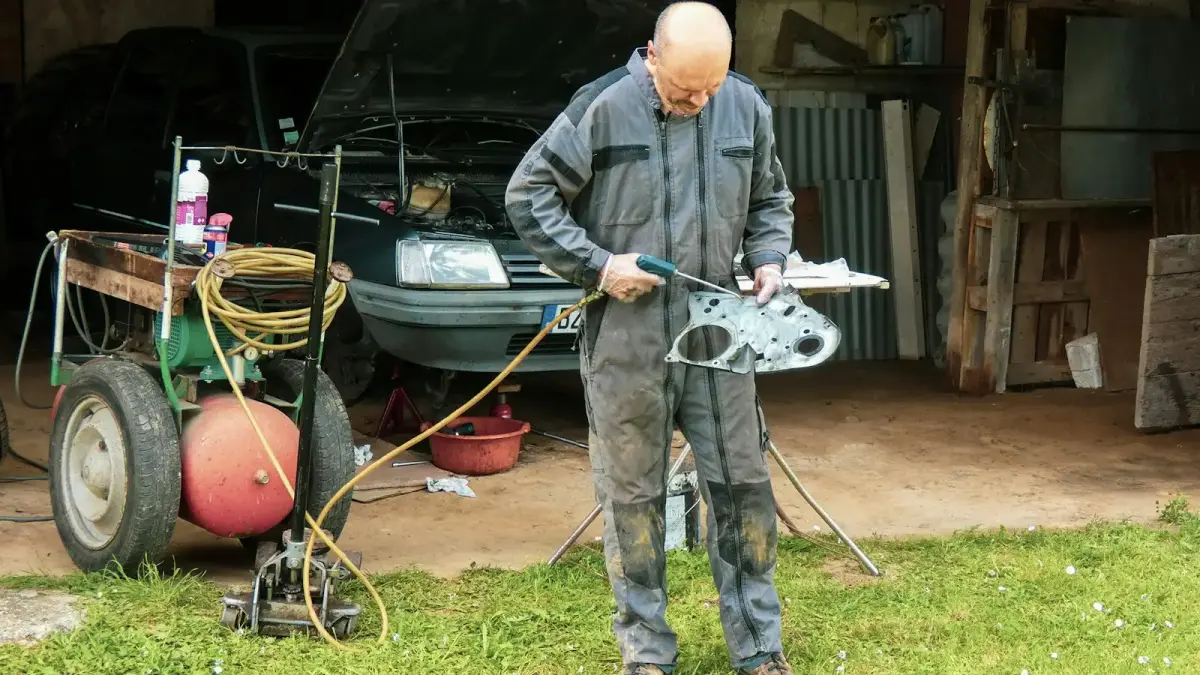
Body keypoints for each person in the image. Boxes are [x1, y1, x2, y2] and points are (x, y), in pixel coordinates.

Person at [504, 2, 795, 673]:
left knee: (743, 488)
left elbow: (770, 200)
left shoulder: (745, 106)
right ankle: (645, 650)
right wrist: (599, 266)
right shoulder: (602, 107)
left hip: (719, 331)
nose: (699, 101)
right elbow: (529, 194)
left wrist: (770, 257)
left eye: (710, 89)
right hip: (627, 339)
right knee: (632, 496)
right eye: (684, 89)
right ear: (651, 56)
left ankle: (758, 646)